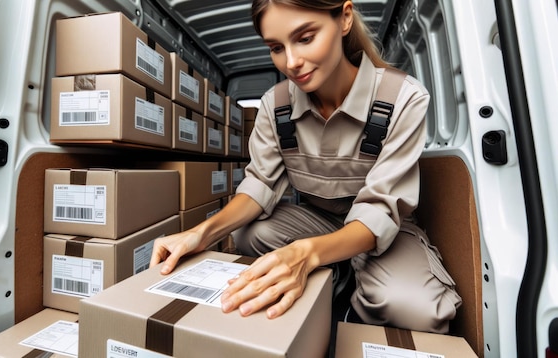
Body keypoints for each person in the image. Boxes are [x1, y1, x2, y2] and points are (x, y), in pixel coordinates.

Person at [150, 0, 461, 334]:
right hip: (320, 221)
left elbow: (380, 210)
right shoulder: (275, 104)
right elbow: (259, 186)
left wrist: (306, 254)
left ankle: (344, 273)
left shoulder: (404, 97)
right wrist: (203, 232)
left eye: (305, 38)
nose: (292, 62)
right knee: (249, 232)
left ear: (343, 18)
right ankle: (339, 273)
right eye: (276, 48)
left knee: (418, 309)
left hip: (385, 232)